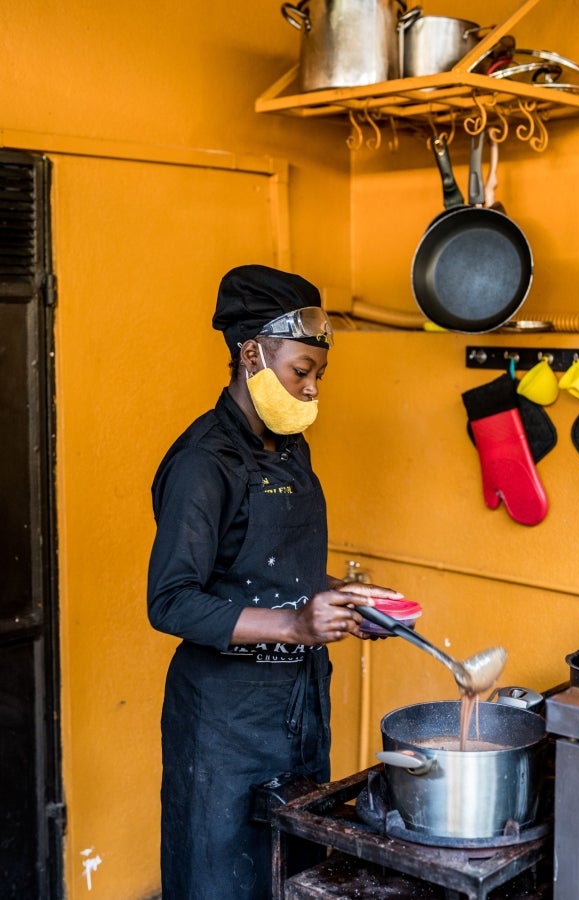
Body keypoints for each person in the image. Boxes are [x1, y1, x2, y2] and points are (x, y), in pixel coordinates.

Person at [147, 264, 401, 900]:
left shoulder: (288, 449)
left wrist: (338, 604)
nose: (312, 390)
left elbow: (272, 569)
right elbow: (170, 600)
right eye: (301, 372)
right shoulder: (204, 463)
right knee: (222, 880)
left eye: (319, 376)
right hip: (224, 723)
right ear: (251, 352)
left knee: (292, 874)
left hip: (298, 702)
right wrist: (294, 623)